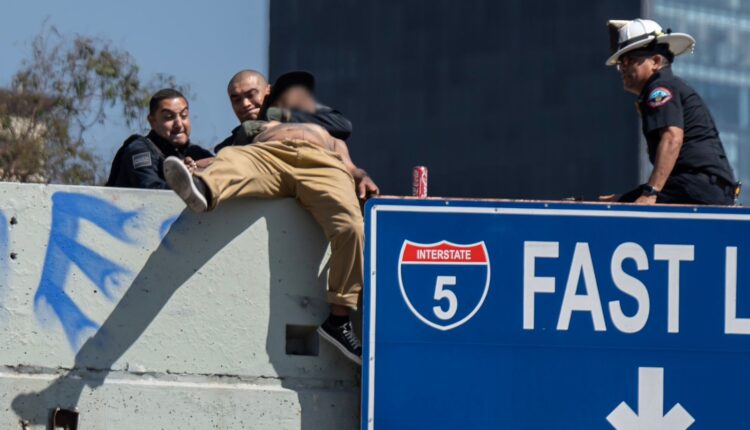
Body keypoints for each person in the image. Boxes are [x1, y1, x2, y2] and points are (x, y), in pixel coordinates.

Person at [163, 119, 378, 365]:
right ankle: (205, 189)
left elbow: (350, 166)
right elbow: (224, 160)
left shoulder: (330, 136)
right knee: (232, 156)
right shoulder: (261, 130)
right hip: (267, 157)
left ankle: (338, 320)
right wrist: (192, 168)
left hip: (322, 164)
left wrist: (363, 176)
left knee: (352, 227)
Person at [601, 19, 738, 205]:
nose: (622, 68)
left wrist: (650, 192)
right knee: (617, 202)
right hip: (703, 188)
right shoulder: (670, 85)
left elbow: (672, 138)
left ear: (656, 61)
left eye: (629, 61)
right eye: (621, 63)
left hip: (696, 188)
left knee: (623, 211)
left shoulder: (659, 87)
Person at [215, 70, 352, 153]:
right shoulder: (228, 145)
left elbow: (342, 126)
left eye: (251, 95)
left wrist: (282, 118)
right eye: (236, 99)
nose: (245, 104)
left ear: (268, 90)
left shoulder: (295, 118)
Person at [106, 89, 213, 189]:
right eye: (168, 117)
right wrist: (181, 179)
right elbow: (150, 190)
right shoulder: (139, 150)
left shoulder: (197, 153)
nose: (179, 124)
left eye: (184, 115)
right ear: (152, 121)